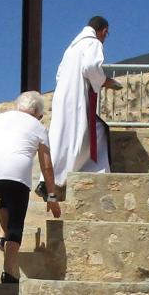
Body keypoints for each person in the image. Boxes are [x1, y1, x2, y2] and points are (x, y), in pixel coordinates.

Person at [0, 91, 62, 284]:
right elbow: (46, 166)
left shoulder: (0, 118)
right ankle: (8, 271)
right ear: (37, 112)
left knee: (6, 197)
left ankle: (2, 234)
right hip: (16, 174)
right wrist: (52, 198)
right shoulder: (39, 127)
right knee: (17, 221)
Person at [47, 16, 122, 192]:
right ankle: (76, 173)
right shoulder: (93, 43)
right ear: (103, 31)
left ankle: (50, 177)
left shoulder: (71, 48)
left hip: (63, 97)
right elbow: (90, 67)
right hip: (77, 96)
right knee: (94, 132)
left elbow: (59, 74)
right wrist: (106, 81)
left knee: (62, 136)